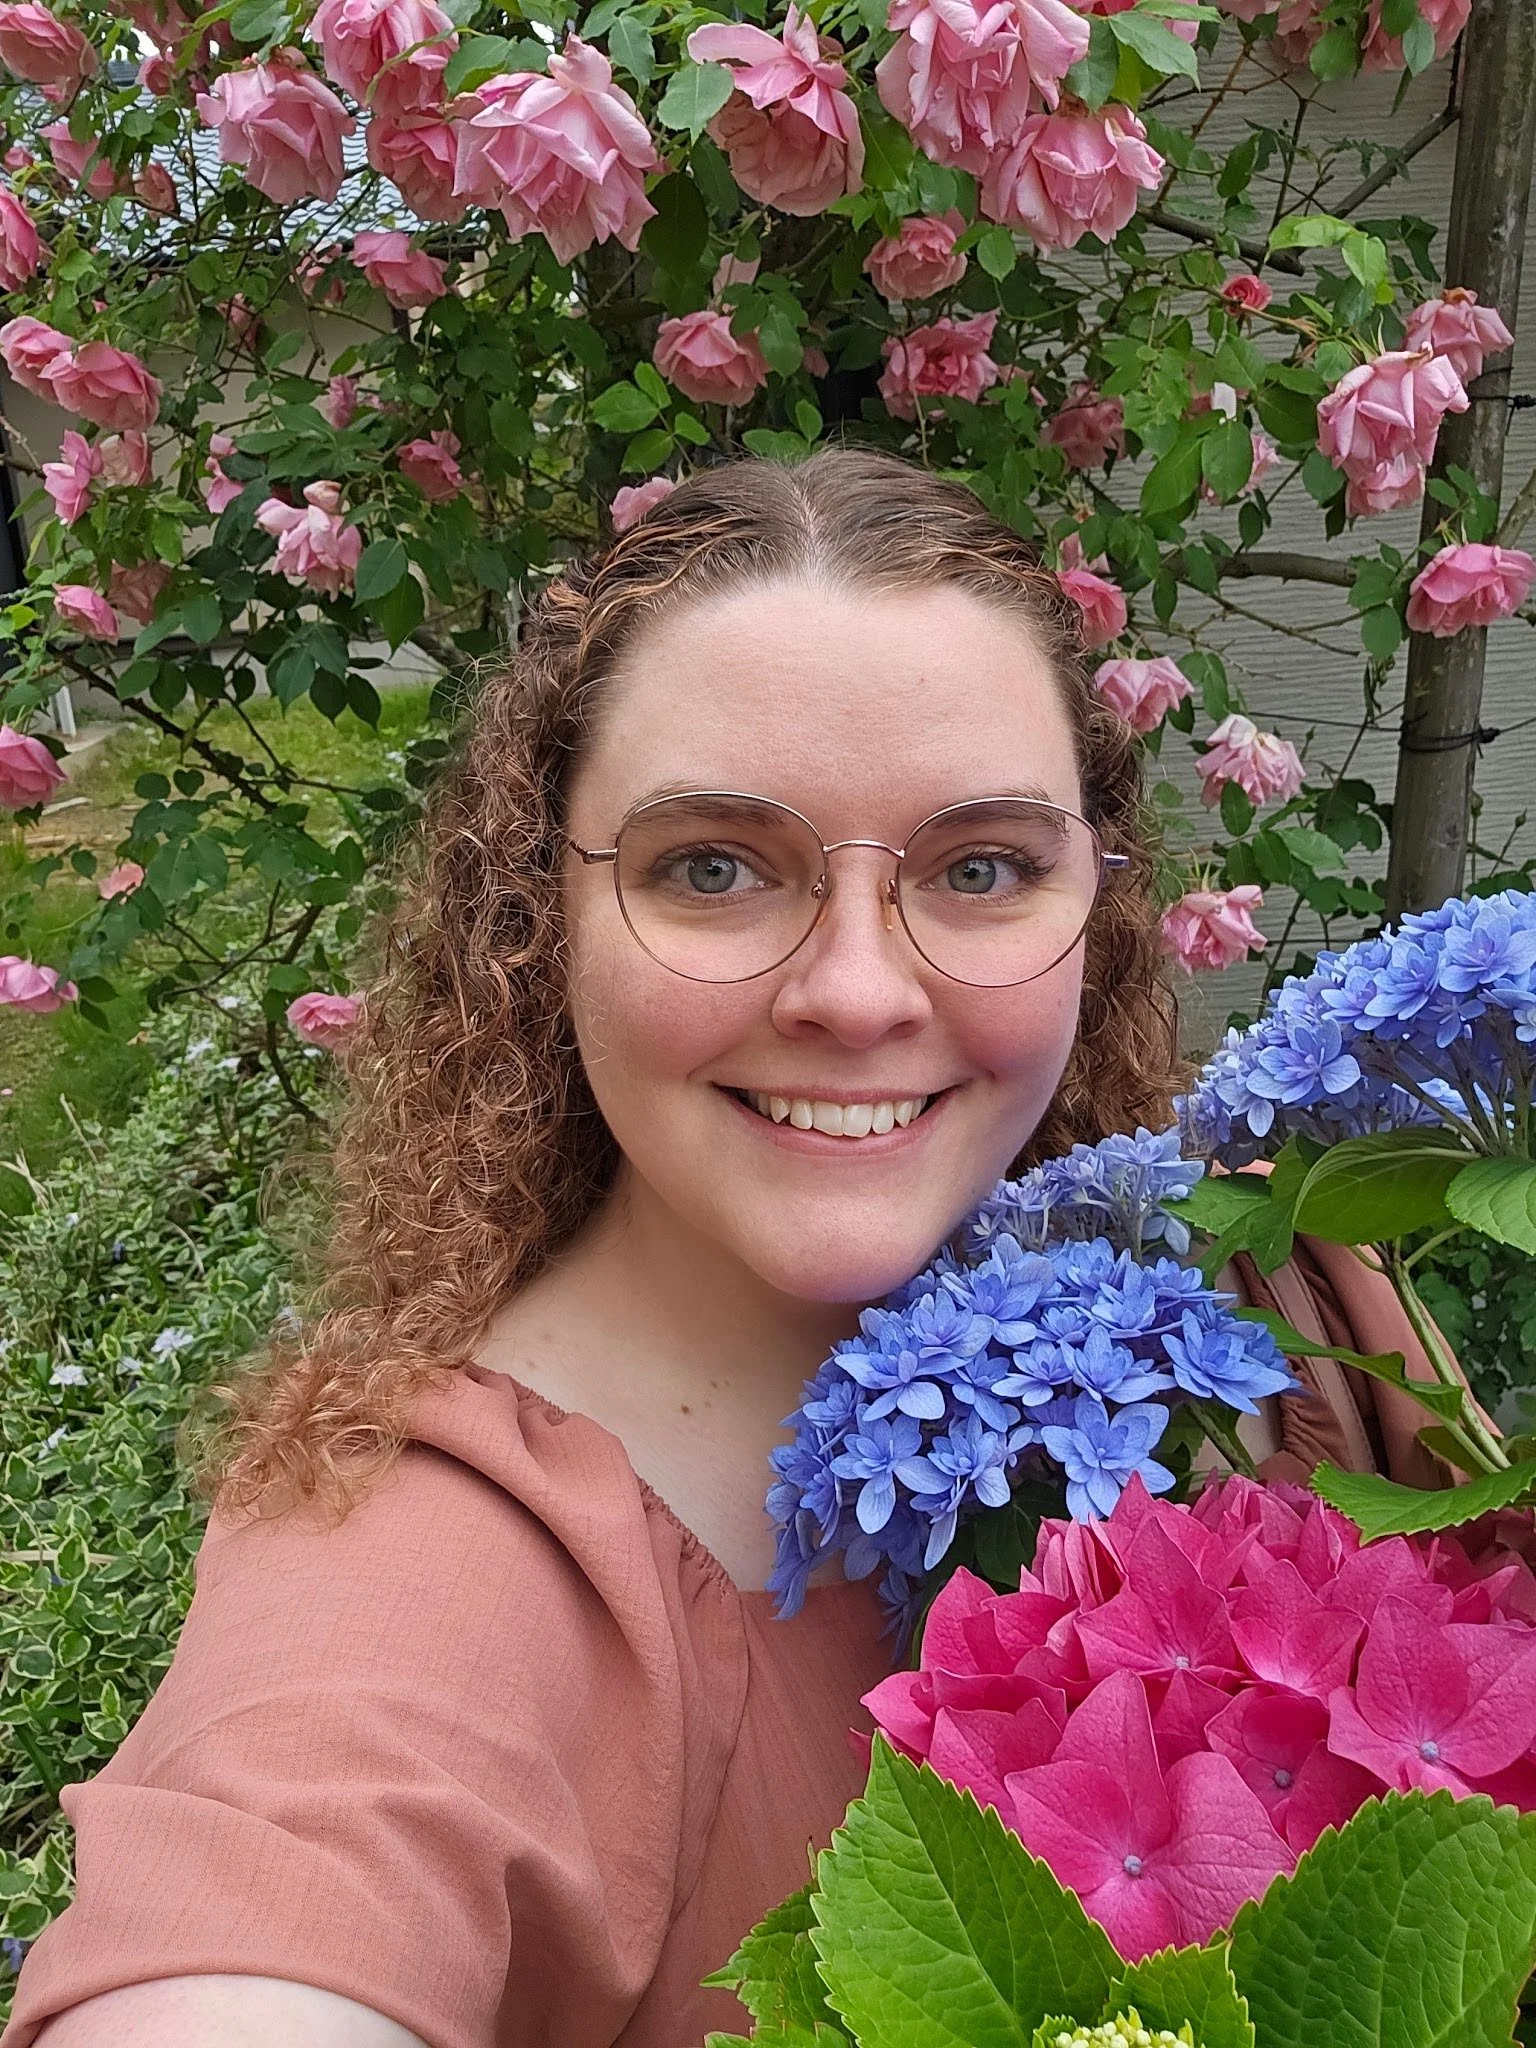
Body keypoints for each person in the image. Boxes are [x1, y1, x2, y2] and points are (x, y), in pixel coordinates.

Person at [0, 447, 1455, 2048]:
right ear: (539, 911)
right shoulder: (437, 1572)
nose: (855, 992)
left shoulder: (1293, 1276)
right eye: (712, 867)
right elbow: (264, 1911)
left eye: (980, 868)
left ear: (1092, 906)